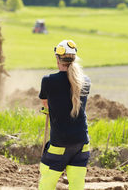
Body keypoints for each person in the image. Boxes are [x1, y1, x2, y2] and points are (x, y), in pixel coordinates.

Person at [38, 39, 91, 190]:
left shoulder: (48, 81)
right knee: (77, 185)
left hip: (60, 143)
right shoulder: (85, 81)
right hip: (82, 143)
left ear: (57, 58)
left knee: (46, 180)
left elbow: (45, 102)